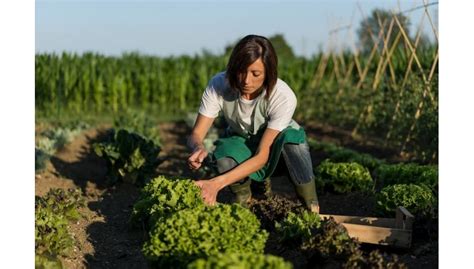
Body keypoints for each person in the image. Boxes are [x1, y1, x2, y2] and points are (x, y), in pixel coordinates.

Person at [187, 34, 319, 212]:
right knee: (224, 154)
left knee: (294, 145)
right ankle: (244, 197)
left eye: (255, 74)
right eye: (241, 71)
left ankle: (309, 203)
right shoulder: (219, 85)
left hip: (276, 147)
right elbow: (196, 134)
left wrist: (216, 184)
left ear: (268, 73)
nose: (246, 80)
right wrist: (198, 147)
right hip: (243, 141)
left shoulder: (282, 96)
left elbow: (262, 155)